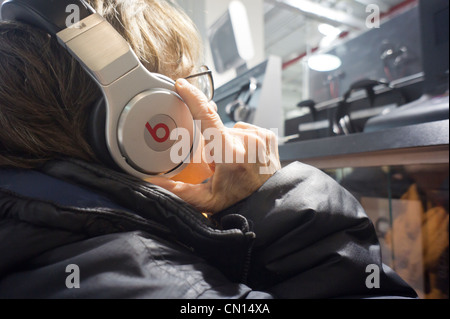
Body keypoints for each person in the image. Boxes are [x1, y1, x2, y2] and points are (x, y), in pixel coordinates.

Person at [0, 0, 417, 299]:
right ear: (139, 125)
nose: (210, 109)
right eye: (187, 89)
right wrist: (273, 202)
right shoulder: (172, 286)